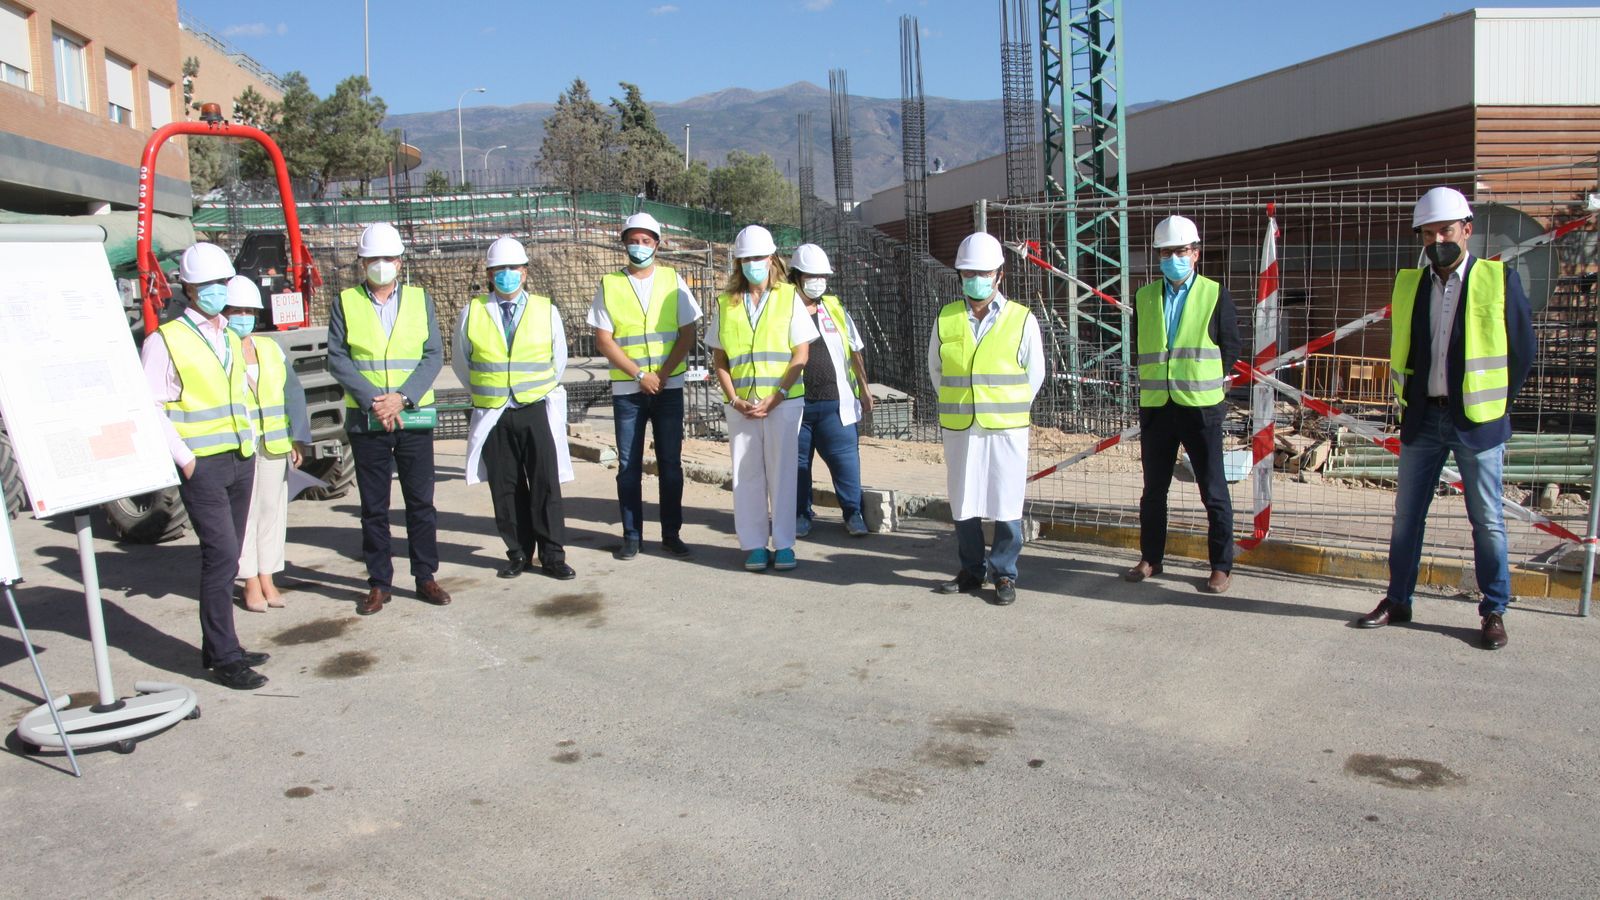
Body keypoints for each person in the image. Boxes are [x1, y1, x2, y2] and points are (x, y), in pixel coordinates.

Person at [1355, 187, 1535, 650]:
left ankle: (1494, 610)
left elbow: (1522, 352)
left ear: (1467, 230)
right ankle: (1398, 600)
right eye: (1428, 233)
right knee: (1407, 518)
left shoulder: (1497, 280)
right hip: (1423, 419)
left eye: (1446, 230)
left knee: (1487, 520)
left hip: (1477, 421)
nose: (1437, 240)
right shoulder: (1410, 285)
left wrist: (1496, 405)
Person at [140, 243, 271, 689]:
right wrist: (186, 459)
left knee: (230, 556)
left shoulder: (229, 336)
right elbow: (151, 406)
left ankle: (219, 645)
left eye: (222, 282)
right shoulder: (165, 340)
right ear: (189, 288)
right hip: (204, 466)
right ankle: (225, 658)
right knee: (220, 557)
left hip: (239, 457)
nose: (217, 290)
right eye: (208, 284)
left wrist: (250, 441)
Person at [327, 222, 450, 615]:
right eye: (374, 258)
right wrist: (373, 401)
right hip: (368, 420)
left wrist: (402, 398)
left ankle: (425, 575)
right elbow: (338, 358)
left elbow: (433, 354)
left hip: (412, 417)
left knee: (420, 503)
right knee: (374, 507)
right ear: (362, 263)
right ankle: (379, 582)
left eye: (389, 258)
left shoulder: (419, 299)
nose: (382, 264)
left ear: (400, 261)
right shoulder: (345, 302)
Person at [1122, 215, 1242, 594]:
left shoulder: (1214, 294)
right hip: (1158, 407)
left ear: (1195, 253)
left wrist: (1204, 381)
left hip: (1201, 408)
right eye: (1165, 252)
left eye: (1180, 251)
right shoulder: (1144, 297)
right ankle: (1151, 558)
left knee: (1213, 490)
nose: (1173, 258)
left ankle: (1221, 566)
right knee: (1153, 490)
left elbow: (1231, 346)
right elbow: (1140, 345)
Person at [929, 232, 1045, 606]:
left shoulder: (1022, 319)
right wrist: (963, 402)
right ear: (960, 276)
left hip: (1005, 427)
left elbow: (1035, 373)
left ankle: (1004, 573)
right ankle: (971, 570)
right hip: (962, 425)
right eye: (968, 273)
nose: (975, 279)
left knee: (1005, 501)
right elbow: (936, 369)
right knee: (964, 500)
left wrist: (1006, 406)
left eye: (983, 273)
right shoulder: (946, 317)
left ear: (999, 275)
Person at [453, 236, 576, 581]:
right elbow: (462, 363)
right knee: (505, 487)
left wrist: (530, 388)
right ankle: (518, 552)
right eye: (499, 269)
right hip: (494, 411)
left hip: (534, 407)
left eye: (513, 268)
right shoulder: (472, 312)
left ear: (525, 272)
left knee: (544, 483)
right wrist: (490, 391)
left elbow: (558, 360)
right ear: (489, 274)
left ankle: (553, 555)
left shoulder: (545, 310)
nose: (507, 274)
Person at [586, 213, 700, 560]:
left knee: (671, 465)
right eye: (633, 241)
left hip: (668, 387)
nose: (639, 247)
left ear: (657, 244)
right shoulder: (610, 284)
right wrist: (640, 375)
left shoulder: (672, 280)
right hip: (629, 391)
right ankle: (632, 536)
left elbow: (687, 334)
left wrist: (662, 374)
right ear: (624, 244)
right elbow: (604, 340)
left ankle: (671, 534)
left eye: (646, 241)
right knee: (628, 467)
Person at [707, 225, 818, 572]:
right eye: (746, 259)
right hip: (741, 406)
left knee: (783, 474)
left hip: (783, 402)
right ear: (738, 263)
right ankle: (754, 545)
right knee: (746, 475)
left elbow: (801, 353)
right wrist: (733, 398)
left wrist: (778, 395)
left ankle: (784, 544)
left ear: (771, 259)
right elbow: (720, 359)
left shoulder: (789, 297)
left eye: (758, 257)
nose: (753, 264)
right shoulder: (726, 304)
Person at [222, 275, 311, 613]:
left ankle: (268, 575)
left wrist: (297, 437)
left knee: (272, 510)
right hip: (239, 445)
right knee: (245, 513)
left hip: (274, 443)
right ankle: (249, 580)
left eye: (248, 311)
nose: (243, 317)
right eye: (236, 311)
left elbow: (293, 392)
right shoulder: (219, 350)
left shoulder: (270, 349)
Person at [787, 243, 873, 539]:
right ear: (796, 276)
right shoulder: (782, 309)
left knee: (845, 461)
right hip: (796, 404)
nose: (818, 281)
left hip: (835, 403)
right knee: (797, 465)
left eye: (823, 276)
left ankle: (853, 513)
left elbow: (854, 349)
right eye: (812, 275)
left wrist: (864, 388)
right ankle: (800, 514)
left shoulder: (833, 308)